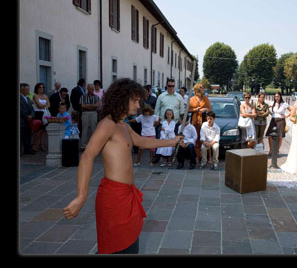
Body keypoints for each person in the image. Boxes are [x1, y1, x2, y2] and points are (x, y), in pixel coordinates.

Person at [63, 78, 182, 254]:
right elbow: (87, 157)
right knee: (117, 248)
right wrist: (81, 196)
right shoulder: (107, 125)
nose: (138, 105)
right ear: (120, 99)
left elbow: (142, 141)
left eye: (139, 100)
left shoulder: (123, 126)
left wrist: (171, 142)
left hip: (127, 196)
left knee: (130, 246)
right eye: (134, 100)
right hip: (113, 197)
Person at [188, 83, 212, 161]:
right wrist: (195, 109)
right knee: (196, 139)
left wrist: (204, 109)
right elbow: (188, 110)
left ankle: (208, 157)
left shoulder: (205, 98)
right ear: (198, 89)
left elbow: (210, 109)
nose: (204, 89)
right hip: (194, 122)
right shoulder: (192, 99)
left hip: (204, 120)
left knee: (205, 139)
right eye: (202, 88)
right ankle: (197, 156)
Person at [265, 92, 290, 156]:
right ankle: (271, 150)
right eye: (275, 96)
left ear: (280, 96)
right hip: (273, 120)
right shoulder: (272, 103)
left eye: (278, 96)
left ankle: (277, 151)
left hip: (281, 121)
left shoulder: (284, 104)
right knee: (270, 135)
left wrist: (286, 116)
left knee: (280, 136)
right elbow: (265, 107)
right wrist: (271, 113)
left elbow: (292, 110)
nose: (276, 98)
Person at [79, 84, 100, 150]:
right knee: (84, 129)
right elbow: (82, 106)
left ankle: (95, 144)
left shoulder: (96, 97)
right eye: (90, 89)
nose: (91, 90)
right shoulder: (83, 96)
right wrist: (92, 106)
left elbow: (97, 105)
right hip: (85, 113)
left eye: (92, 89)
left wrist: (87, 105)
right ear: (87, 89)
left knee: (94, 129)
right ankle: (83, 145)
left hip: (94, 113)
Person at [32, 83, 50, 151]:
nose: (41, 89)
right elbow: (39, 105)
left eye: (42, 87)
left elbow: (49, 105)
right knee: (39, 130)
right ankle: (34, 143)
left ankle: (42, 144)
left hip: (45, 114)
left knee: (44, 130)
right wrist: (45, 105)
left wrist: (44, 106)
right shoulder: (35, 95)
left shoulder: (45, 96)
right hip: (38, 114)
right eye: (40, 87)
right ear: (37, 88)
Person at [20, 83, 35, 155]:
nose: (29, 91)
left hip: (28, 121)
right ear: (22, 90)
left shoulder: (28, 98)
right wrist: (27, 116)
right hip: (22, 120)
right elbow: (20, 110)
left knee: (28, 135)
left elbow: (32, 109)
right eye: (27, 89)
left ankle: (27, 149)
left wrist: (32, 115)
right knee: (20, 136)